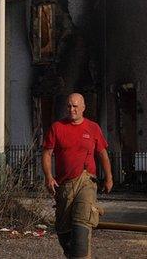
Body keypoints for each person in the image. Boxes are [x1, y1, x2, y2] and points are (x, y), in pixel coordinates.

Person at [42, 93, 112, 259]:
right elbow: (46, 154)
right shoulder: (57, 127)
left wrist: (109, 177)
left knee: (81, 225)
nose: (71, 109)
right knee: (64, 233)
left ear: (83, 107)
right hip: (64, 185)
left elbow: (103, 154)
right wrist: (48, 177)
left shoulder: (93, 128)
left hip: (86, 181)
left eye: (75, 106)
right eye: (69, 106)